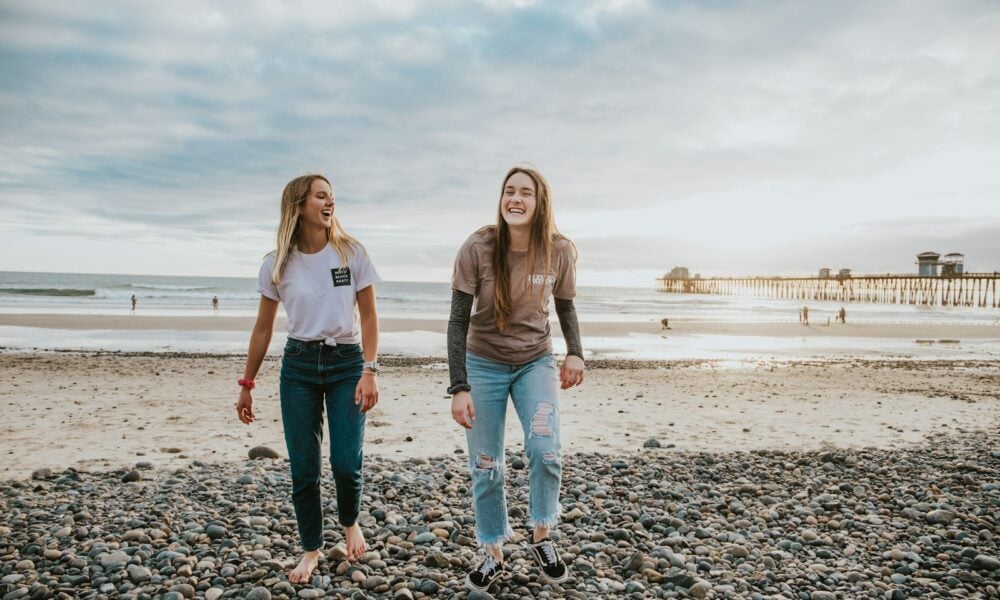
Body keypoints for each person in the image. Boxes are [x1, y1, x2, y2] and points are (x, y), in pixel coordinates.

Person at [236, 173, 381, 584]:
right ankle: (311, 549)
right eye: (320, 195)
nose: (329, 201)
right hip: (298, 365)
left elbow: (368, 317)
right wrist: (247, 384)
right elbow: (263, 328)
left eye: (331, 195)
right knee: (304, 468)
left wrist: (370, 370)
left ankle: (350, 521)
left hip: (347, 363)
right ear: (300, 205)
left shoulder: (351, 253)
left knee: (345, 462)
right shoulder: (277, 263)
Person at [448, 165, 585, 593]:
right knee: (486, 465)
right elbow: (456, 321)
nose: (516, 199)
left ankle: (542, 535)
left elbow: (564, 306)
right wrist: (459, 386)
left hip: (534, 362)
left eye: (526, 192)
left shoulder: (559, 251)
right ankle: (492, 551)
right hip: (483, 362)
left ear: (540, 202)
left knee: (546, 451)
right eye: (510, 191)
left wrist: (576, 352)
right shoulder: (478, 246)